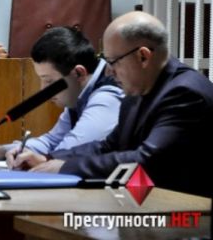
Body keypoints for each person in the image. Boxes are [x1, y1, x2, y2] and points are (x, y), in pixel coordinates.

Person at [12, 11, 213, 197]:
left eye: (113, 61)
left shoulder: (185, 93)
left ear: (143, 56)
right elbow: (109, 146)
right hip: (150, 205)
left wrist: (64, 167)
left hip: (188, 215)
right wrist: (49, 158)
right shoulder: (138, 89)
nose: (108, 71)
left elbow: (147, 161)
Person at [0, 26, 124, 164]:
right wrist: (3, 150)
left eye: (49, 81)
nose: (42, 89)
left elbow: (69, 152)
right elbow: (51, 141)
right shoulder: (79, 91)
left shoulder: (108, 96)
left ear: (79, 73)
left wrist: (38, 158)